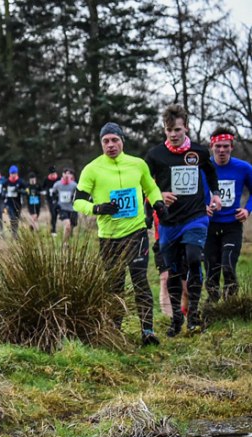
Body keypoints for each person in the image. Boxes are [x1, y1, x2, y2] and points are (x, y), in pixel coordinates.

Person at [73, 122, 166, 346]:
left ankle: (148, 331)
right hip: (109, 237)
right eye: (106, 141)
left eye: (115, 140)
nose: (111, 145)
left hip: (136, 233)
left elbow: (150, 187)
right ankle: (115, 329)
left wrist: (158, 203)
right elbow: (77, 201)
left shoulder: (138, 164)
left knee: (140, 280)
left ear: (122, 141)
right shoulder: (92, 168)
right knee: (114, 285)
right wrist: (97, 208)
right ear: (101, 144)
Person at [145, 103, 221, 335]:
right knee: (173, 271)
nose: (173, 134)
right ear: (164, 130)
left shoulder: (198, 152)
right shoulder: (155, 155)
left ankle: (195, 315)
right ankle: (177, 319)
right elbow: (146, 185)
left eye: (177, 129)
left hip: (195, 216)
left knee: (193, 257)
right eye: (169, 130)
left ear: (185, 127)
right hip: (168, 221)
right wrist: (158, 195)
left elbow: (210, 172)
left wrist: (215, 195)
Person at [205, 127, 252, 301]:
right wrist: (203, 206)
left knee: (228, 265)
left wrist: (247, 209)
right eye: (218, 146)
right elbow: (195, 193)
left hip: (232, 224)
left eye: (226, 146)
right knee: (211, 268)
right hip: (209, 225)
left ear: (232, 147)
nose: (222, 150)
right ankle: (213, 303)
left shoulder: (244, 168)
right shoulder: (205, 168)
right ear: (212, 146)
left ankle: (231, 302)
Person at [51, 168, 79, 239]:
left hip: (71, 208)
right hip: (62, 208)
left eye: (68, 174)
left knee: (71, 226)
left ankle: (67, 239)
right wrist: (55, 202)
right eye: (65, 173)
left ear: (70, 176)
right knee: (67, 225)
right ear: (62, 174)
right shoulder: (57, 184)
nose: (67, 175)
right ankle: (65, 244)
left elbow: (78, 194)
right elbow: (53, 193)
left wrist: (74, 197)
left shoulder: (74, 185)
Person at [3, 165, 24, 239]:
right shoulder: (6, 182)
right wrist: (4, 193)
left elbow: (26, 191)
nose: (13, 175)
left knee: (16, 219)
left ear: (17, 173)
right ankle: (14, 233)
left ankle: (15, 232)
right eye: (12, 173)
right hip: (9, 203)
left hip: (18, 203)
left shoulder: (20, 181)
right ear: (9, 174)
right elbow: (2, 191)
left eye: (14, 173)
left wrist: (19, 191)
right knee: (12, 217)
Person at [43, 166, 61, 233]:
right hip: (50, 199)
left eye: (54, 173)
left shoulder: (59, 179)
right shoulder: (46, 180)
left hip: (58, 199)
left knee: (56, 213)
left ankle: (54, 228)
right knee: (53, 213)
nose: (53, 175)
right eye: (51, 174)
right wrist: (46, 190)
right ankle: (53, 229)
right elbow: (43, 188)